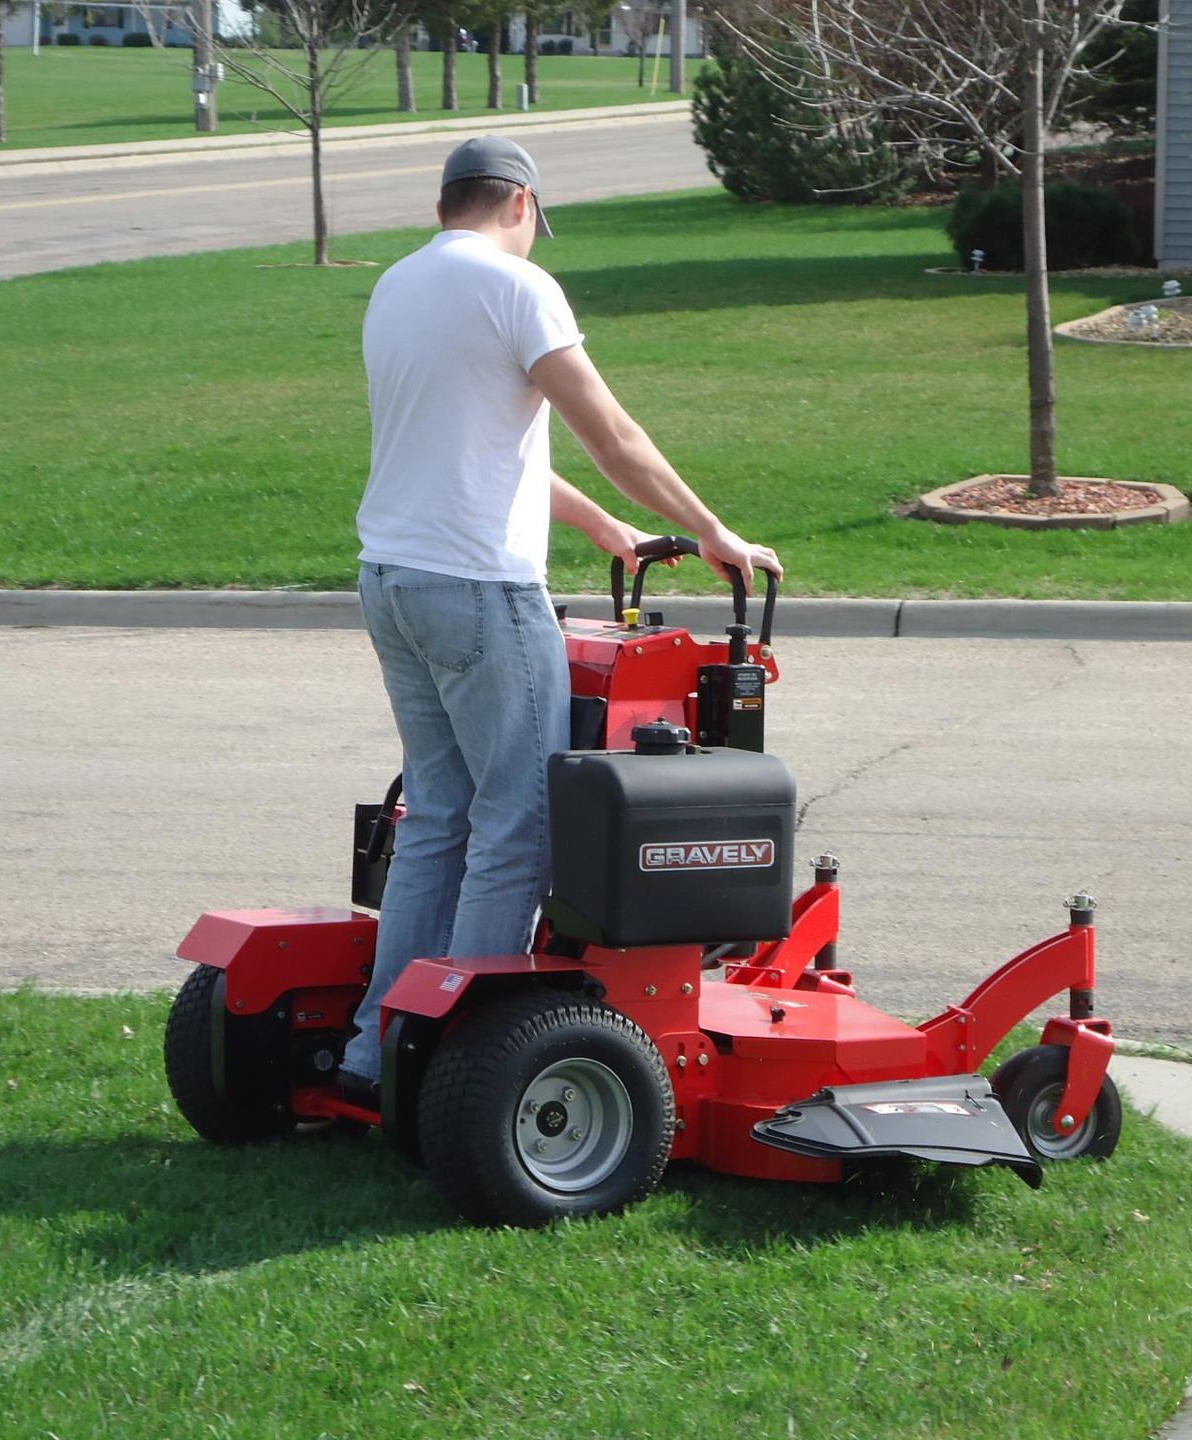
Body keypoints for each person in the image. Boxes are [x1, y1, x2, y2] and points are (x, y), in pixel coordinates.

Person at [339, 136, 782, 1100]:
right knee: (517, 826)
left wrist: (607, 528)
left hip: (393, 580)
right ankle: (464, 1064)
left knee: (435, 820)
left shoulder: (399, 286)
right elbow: (612, 433)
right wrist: (712, 533)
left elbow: (486, 451)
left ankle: (379, 1049)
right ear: (524, 205)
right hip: (481, 593)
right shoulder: (515, 287)